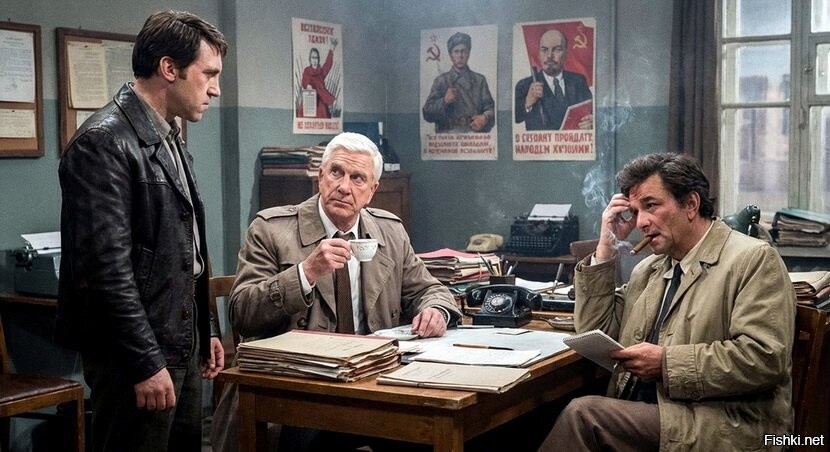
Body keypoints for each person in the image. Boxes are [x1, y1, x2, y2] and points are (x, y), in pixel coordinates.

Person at [211, 132, 461, 452]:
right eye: (336, 172)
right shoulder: (271, 229)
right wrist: (305, 273)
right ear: (320, 176)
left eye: (357, 178)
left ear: (372, 191)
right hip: (294, 392)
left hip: (373, 386)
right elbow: (241, 312)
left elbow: (428, 289)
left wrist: (436, 310)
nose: (344, 186)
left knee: (430, 434)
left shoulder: (390, 231)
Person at [539, 153, 795, 451]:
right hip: (655, 409)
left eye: (651, 206)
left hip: (726, 422)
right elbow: (596, 331)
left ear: (691, 204)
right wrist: (605, 247)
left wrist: (665, 364)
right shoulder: (650, 269)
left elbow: (764, 359)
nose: (641, 223)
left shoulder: (753, 259)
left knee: (584, 415)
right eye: (635, 212)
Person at [57, 10, 227, 452]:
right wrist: (144, 361)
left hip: (179, 339)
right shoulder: (104, 142)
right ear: (169, 68)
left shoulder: (170, 136)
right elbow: (105, 273)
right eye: (208, 74)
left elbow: (187, 250)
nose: (215, 89)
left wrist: (206, 326)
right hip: (135, 354)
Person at [514, 28, 592, 130]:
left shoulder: (578, 81)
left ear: (566, 54)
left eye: (557, 49)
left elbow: (591, 111)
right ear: (539, 54)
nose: (549, 56)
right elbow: (516, 118)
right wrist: (527, 103)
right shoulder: (524, 85)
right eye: (544, 50)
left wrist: (590, 121)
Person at [422, 32, 495, 133]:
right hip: (447, 135)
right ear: (451, 55)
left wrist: (485, 117)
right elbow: (427, 113)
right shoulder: (441, 81)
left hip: (475, 134)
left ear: (468, 53)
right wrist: (444, 101)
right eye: (456, 52)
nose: (460, 56)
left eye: (463, 51)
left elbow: (490, 108)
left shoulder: (479, 80)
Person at [299, 38, 338, 118]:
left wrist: (331, 50)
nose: (314, 60)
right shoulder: (307, 70)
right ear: (310, 59)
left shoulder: (321, 72)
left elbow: (328, 65)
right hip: (310, 101)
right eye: (313, 57)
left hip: (321, 101)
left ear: (318, 59)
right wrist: (308, 85)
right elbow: (304, 81)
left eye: (316, 58)